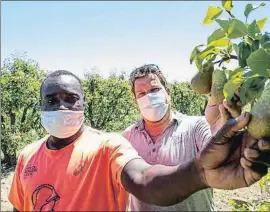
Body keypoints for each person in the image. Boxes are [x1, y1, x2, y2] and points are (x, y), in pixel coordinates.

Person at [9, 70, 270, 211]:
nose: (62, 107)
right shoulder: (27, 155)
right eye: (52, 100)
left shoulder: (108, 145)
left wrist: (201, 171)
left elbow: (144, 179)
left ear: (168, 93)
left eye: (70, 99)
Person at [123, 64, 269, 211]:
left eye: (154, 90)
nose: (149, 97)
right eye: (141, 94)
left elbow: (217, 148)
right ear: (136, 101)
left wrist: (223, 128)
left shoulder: (196, 126)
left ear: (168, 93)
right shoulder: (127, 137)